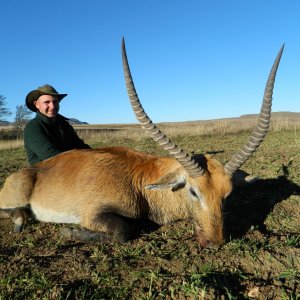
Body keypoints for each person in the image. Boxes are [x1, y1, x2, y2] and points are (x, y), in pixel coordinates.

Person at [24, 84, 90, 165]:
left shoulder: (64, 125)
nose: (52, 106)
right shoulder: (33, 128)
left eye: (55, 101)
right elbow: (53, 157)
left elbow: (81, 147)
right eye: (47, 102)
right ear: (37, 104)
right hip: (46, 174)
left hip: (71, 169)